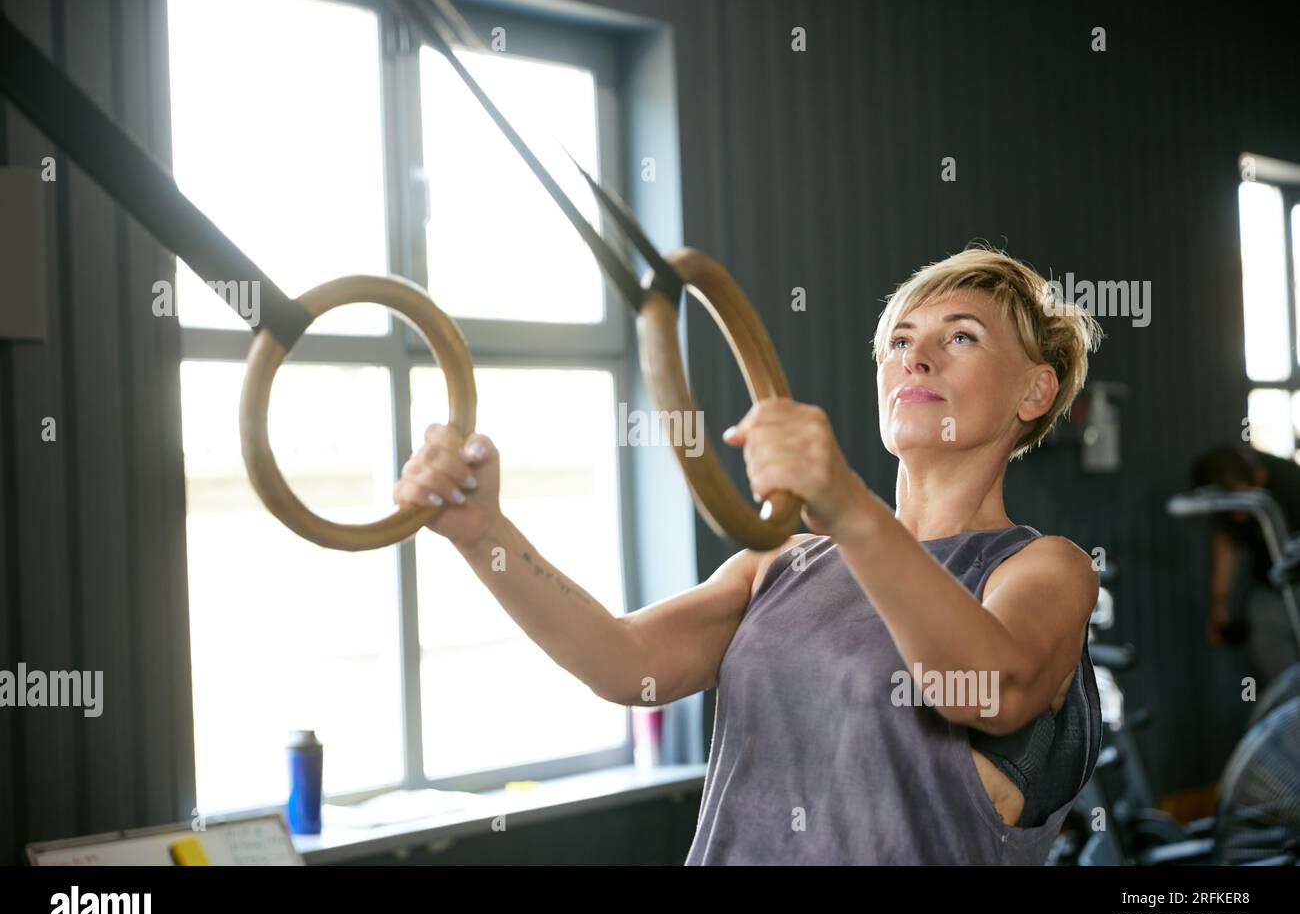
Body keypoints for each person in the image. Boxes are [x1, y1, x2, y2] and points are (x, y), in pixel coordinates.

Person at [393, 246, 1104, 864]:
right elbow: (621, 660)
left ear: (1035, 390)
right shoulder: (783, 561)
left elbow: (991, 690)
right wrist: (484, 533)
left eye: (962, 337)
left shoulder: (1042, 568)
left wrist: (846, 503)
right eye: (900, 341)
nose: (916, 356)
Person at [1190, 444, 1300, 683]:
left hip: (1295, 579)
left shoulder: (1291, 482)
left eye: (1241, 507)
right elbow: (1228, 541)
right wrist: (1219, 603)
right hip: (1271, 587)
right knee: (1268, 643)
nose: (1239, 518)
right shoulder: (1226, 492)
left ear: (1259, 477)